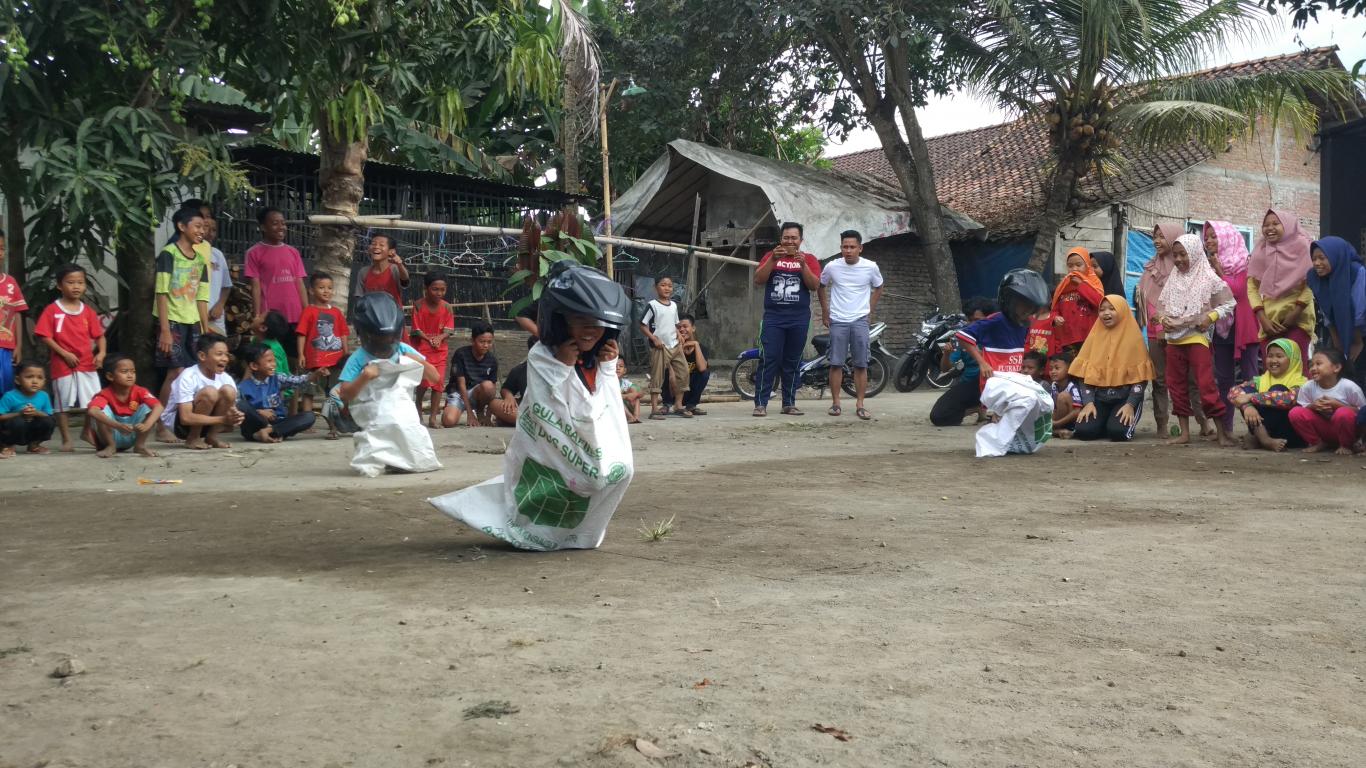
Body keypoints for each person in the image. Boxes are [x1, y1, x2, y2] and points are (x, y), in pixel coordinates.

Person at [1159, 234, 1235, 447]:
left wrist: (1208, 317)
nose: (1179, 259)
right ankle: (1184, 433)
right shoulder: (1173, 278)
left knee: (1205, 384)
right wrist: (1164, 320)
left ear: (1194, 253)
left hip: (1196, 337)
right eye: (1175, 255)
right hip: (1174, 339)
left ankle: (1221, 433)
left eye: (1183, 254)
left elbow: (1229, 303)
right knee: (1175, 385)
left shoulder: (1208, 277)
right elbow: (1162, 306)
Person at [752, 221, 821, 417]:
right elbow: (758, 280)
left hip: (798, 319)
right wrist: (772, 260)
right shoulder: (771, 256)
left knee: (792, 361)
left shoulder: (810, 259)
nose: (790, 241)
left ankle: (788, 403)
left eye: (794, 238)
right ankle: (760, 404)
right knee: (769, 359)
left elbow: (814, 285)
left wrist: (803, 265)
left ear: (801, 240)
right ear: (781, 239)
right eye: (786, 237)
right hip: (773, 318)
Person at [35, 264, 105, 451]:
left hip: (87, 363)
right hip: (62, 364)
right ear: (59, 285)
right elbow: (44, 335)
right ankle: (66, 439)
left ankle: (87, 430)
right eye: (71, 282)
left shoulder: (88, 311)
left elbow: (99, 335)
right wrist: (64, 353)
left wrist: (102, 353)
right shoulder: (52, 310)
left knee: (95, 399)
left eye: (80, 283)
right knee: (62, 402)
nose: (76, 287)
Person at [818, 229, 884, 420]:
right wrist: (825, 311)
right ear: (840, 248)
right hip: (838, 320)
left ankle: (860, 404)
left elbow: (879, 286)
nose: (848, 250)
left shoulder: (870, 267)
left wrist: (869, 308)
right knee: (836, 363)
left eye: (852, 247)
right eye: (845, 247)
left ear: (860, 248)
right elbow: (820, 287)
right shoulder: (832, 267)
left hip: (859, 321)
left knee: (861, 364)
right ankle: (836, 403)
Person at [1070, 295, 1155, 442]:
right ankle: (1104, 423)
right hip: (1100, 399)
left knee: (1118, 433)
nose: (1106, 313)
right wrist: (1088, 403)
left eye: (1112, 309)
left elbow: (1140, 379)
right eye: (1102, 310)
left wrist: (1130, 405)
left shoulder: (1135, 339)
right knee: (1084, 431)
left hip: (1125, 399)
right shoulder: (1094, 336)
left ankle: (1112, 424)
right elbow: (1084, 376)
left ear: (1122, 311)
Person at [1204, 220, 1261, 435]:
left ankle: (1256, 431)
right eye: (1207, 237)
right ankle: (1225, 429)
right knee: (1224, 379)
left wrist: (1218, 271)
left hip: (1244, 327)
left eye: (1213, 236)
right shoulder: (1207, 265)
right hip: (1221, 327)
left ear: (1226, 238)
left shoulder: (1245, 263)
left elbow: (1236, 291)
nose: (1209, 241)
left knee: (1250, 379)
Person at [957, 270, 1050, 384]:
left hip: (1014, 381)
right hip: (994, 384)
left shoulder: (1024, 324)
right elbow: (962, 336)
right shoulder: (996, 320)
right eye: (1024, 304)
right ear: (1010, 300)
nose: (1028, 310)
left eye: (1032, 306)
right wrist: (982, 362)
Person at [1248, 209, 1316, 366]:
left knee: (1296, 368)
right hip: (1270, 321)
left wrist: (1295, 313)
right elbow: (1252, 287)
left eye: (1275, 223)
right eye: (1266, 225)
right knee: (1272, 369)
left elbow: (1311, 282)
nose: (1269, 228)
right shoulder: (1261, 250)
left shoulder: (1303, 246)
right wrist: (1263, 319)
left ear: (1287, 225)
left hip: (1298, 319)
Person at [1135, 223, 1184, 437]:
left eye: (1162, 237)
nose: (1157, 241)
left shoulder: (1185, 270)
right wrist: (1156, 327)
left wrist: (1169, 325)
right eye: (1155, 237)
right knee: (1159, 379)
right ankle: (1162, 423)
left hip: (1182, 331)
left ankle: (1197, 424)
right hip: (1156, 332)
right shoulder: (1150, 269)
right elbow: (1145, 302)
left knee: (1186, 379)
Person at [160, 333, 243, 450]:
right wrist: (223, 419)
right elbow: (185, 418)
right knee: (210, 392)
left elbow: (231, 407)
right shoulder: (188, 376)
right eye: (219, 354)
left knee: (229, 390)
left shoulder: (226, 378)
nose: (225, 359)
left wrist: (236, 416)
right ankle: (193, 438)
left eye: (226, 355)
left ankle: (211, 437)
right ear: (202, 356)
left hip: (208, 422)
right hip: (181, 426)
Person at [246, 207, 308, 354]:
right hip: (271, 318)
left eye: (283, 223)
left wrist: (307, 312)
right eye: (275, 223)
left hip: (295, 315)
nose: (281, 227)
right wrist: (257, 316)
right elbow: (255, 286)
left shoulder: (293, 252)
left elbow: (300, 283)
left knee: (295, 357)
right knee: (272, 357)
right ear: (263, 227)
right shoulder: (254, 253)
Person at [1228, 338, 1306, 452]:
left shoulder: (1301, 383)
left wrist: (1251, 398)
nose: (1273, 360)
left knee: (1277, 390)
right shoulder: (1261, 380)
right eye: (1270, 356)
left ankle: (1259, 438)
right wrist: (1247, 407)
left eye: (1279, 356)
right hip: (1265, 430)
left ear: (1292, 359)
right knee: (1247, 390)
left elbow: (1288, 399)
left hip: (1292, 434)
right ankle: (1264, 439)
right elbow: (1234, 392)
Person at [1306, 235, 1366, 377]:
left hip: (1361, 332)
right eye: (1314, 259)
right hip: (1338, 331)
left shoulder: (1355, 271)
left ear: (1335, 256)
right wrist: (1337, 344)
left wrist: (1357, 343)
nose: (1317, 263)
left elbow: (1359, 310)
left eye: (1322, 258)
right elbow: (1326, 311)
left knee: (1358, 371)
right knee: (1335, 370)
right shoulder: (1314, 277)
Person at [929, 297, 994, 427]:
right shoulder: (962, 336)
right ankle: (977, 408)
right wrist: (947, 354)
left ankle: (984, 407)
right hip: (968, 384)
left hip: (990, 383)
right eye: (970, 320)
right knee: (938, 416)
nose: (973, 324)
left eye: (978, 320)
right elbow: (945, 369)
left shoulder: (997, 335)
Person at [237, 342, 320, 443]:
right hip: (255, 426)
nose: (274, 364)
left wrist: (315, 375)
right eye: (269, 361)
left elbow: (297, 381)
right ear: (254, 366)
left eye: (274, 360)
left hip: (278, 423)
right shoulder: (243, 386)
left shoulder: (277, 378)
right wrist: (259, 412)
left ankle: (269, 432)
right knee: (240, 405)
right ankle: (264, 433)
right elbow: (238, 410)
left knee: (309, 416)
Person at [295, 271, 348, 424]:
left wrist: (345, 353)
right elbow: (302, 334)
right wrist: (301, 354)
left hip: (335, 363)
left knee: (335, 393)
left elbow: (343, 333)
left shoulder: (336, 312)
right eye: (321, 287)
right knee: (309, 392)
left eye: (330, 288)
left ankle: (335, 423)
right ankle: (306, 422)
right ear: (311, 290)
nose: (326, 291)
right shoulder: (308, 311)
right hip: (314, 362)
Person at [1288, 348, 1364, 455]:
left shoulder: (1349, 387)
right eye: (1311, 365)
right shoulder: (1308, 386)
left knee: (1343, 413)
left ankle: (1346, 445)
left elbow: (1362, 413)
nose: (1313, 368)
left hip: (1347, 431)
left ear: (1336, 367)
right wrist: (1313, 406)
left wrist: (1338, 405)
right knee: (1295, 412)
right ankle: (1317, 442)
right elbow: (1302, 408)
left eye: (1318, 364)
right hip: (1324, 429)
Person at [87, 355, 163, 458]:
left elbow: (159, 406)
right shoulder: (104, 393)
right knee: (100, 411)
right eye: (124, 372)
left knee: (149, 408)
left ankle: (139, 445)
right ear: (110, 376)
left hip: (133, 433)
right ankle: (111, 446)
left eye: (133, 372)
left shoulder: (140, 391)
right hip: (112, 434)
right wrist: (118, 426)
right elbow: (93, 411)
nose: (130, 375)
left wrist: (147, 425)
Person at [411, 272, 456, 428]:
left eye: (442, 290)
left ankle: (433, 418)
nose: (439, 293)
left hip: (440, 350)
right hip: (422, 349)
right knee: (423, 383)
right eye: (435, 289)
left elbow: (449, 330)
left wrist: (440, 338)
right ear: (426, 288)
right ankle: (417, 405)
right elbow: (416, 330)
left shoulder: (447, 307)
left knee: (438, 383)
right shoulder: (417, 305)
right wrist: (430, 339)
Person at [180, 200, 232, 335]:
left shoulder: (217, 254)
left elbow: (226, 285)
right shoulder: (181, 252)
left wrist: (220, 305)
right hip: (192, 317)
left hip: (215, 318)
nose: (209, 231)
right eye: (203, 218)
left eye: (209, 217)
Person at [640, 275, 688, 420]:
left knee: (683, 372)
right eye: (663, 285)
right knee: (657, 376)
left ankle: (678, 405)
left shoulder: (673, 305)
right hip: (660, 346)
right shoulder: (652, 305)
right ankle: (654, 409)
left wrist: (679, 334)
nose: (667, 288)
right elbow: (642, 324)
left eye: (669, 285)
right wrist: (654, 338)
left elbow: (675, 323)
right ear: (655, 287)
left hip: (674, 344)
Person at [442, 320, 498, 427]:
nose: (486, 345)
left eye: (489, 342)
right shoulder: (461, 354)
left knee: (488, 386)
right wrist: (469, 414)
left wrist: (488, 416)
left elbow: (493, 390)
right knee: (448, 421)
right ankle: (452, 406)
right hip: (459, 393)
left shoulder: (492, 360)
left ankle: (480, 411)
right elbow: (461, 385)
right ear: (472, 340)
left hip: (477, 395)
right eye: (482, 342)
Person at [1049, 246, 1104, 353]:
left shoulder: (1094, 283)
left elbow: (1099, 302)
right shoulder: (1063, 285)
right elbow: (1054, 309)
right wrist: (1055, 317)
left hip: (1088, 338)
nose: (1074, 269)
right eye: (1070, 266)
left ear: (1087, 265)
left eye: (1079, 265)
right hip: (1067, 338)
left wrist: (1081, 285)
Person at [0, 360, 54, 457]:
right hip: (14, 430)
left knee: (49, 421)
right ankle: (8, 446)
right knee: (17, 422)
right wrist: (19, 413)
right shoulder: (10, 396)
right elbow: (1, 416)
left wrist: (36, 413)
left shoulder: (44, 396)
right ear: (17, 380)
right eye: (29, 377)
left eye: (39, 378)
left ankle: (34, 445)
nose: (34, 381)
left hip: (31, 428)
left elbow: (47, 414)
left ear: (44, 381)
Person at [0, 227, 28, 396]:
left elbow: (17, 313)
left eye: (1, 248)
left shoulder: (10, 283)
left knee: (6, 387)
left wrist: (19, 346)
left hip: (7, 347)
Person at [667, 314, 710, 416]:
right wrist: (680, 347)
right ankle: (670, 404)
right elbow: (671, 375)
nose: (682, 330)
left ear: (693, 328)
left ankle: (691, 405)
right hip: (675, 390)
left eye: (685, 326)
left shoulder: (701, 347)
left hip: (690, 389)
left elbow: (702, 368)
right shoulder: (672, 347)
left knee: (705, 373)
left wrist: (696, 344)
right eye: (678, 327)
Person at [354, 233, 410, 310]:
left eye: (381, 245)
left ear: (391, 251)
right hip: (370, 317)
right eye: (373, 244)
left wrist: (400, 265)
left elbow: (405, 280)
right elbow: (359, 297)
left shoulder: (395, 269)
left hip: (393, 318)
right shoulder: (364, 272)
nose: (376, 247)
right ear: (369, 249)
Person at [490, 336, 535, 427]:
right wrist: (508, 396)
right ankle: (531, 424)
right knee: (494, 404)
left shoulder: (560, 369)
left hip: (553, 414)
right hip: (527, 411)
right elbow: (506, 388)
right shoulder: (520, 370)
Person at [1048, 352, 1081, 437]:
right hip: (1058, 421)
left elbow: (1077, 412)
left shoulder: (1072, 386)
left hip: (1073, 423)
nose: (1053, 371)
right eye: (1051, 369)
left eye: (1057, 368)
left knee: (1063, 396)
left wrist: (1056, 423)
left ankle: (1069, 431)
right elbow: (1053, 409)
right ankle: (1059, 431)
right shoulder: (1054, 385)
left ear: (1069, 369)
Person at [619, 358, 644, 423]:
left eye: (620, 366)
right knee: (617, 399)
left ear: (624, 370)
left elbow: (641, 393)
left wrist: (634, 394)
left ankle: (636, 417)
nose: (617, 368)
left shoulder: (625, 383)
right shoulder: (608, 383)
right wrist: (626, 396)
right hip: (614, 410)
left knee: (636, 396)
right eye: (614, 366)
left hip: (625, 410)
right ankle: (630, 417)